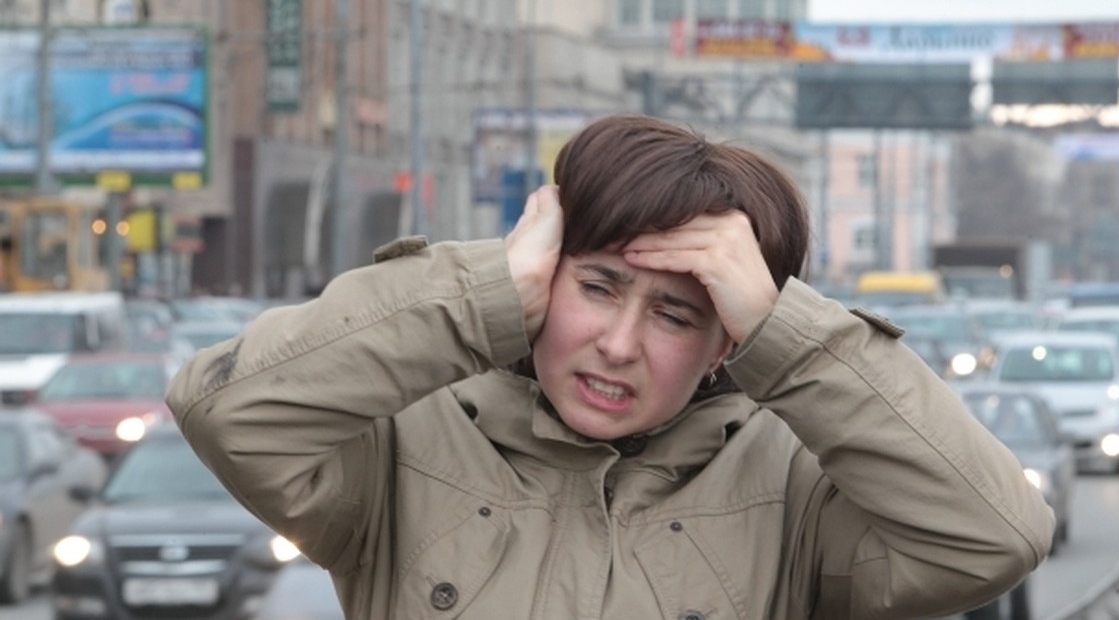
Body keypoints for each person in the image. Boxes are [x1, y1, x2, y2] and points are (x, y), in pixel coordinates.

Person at [166, 113, 1054, 619]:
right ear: (543, 269)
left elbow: (995, 538)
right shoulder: (408, 443)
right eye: (597, 285)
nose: (619, 343)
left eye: (677, 312)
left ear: (728, 340)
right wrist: (479, 293)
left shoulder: (793, 487)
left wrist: (794, 330)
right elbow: (224, 408)